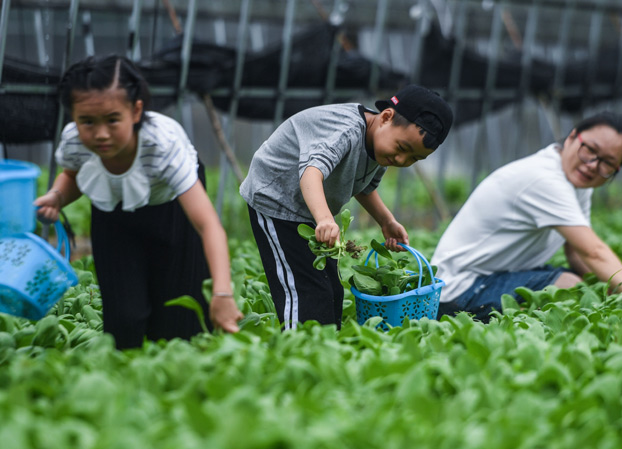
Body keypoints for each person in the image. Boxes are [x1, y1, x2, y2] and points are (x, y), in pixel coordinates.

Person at [34, 54, 243, 348]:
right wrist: (57, 196)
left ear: (135, 111)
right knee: (124, 320)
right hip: (112, 209)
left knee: (178, 321)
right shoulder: (74, 141)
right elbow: (73, 173)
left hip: (172, 206)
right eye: (87, 122)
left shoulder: (162, 145)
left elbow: (208, 225)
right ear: (73, 117)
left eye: (112, 120)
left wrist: (222, 293)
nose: (101, 134)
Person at [241, 84, 454, 329]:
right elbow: (311, 173)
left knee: (331, 289)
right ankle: (297, 346)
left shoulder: (380, 147)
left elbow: (363, 186)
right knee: (302, 288)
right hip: (276, 196)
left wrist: (386, 221)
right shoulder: (346, 132)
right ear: (386, 117)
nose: (402, 160)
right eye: (403, 148)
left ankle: (324, 345)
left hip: (310, 206)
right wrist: (324, 219)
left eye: (414, 158)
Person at [432, 111, 622, 322]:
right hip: (457, 289)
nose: (593, 165)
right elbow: (593, 252)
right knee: (569, 287)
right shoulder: (544, 179)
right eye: (590, 150)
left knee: (587, 286)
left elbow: (575, 251)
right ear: (573, 137)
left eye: (607, 163)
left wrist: (608, 289)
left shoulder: (578, 183)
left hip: (493, 276)